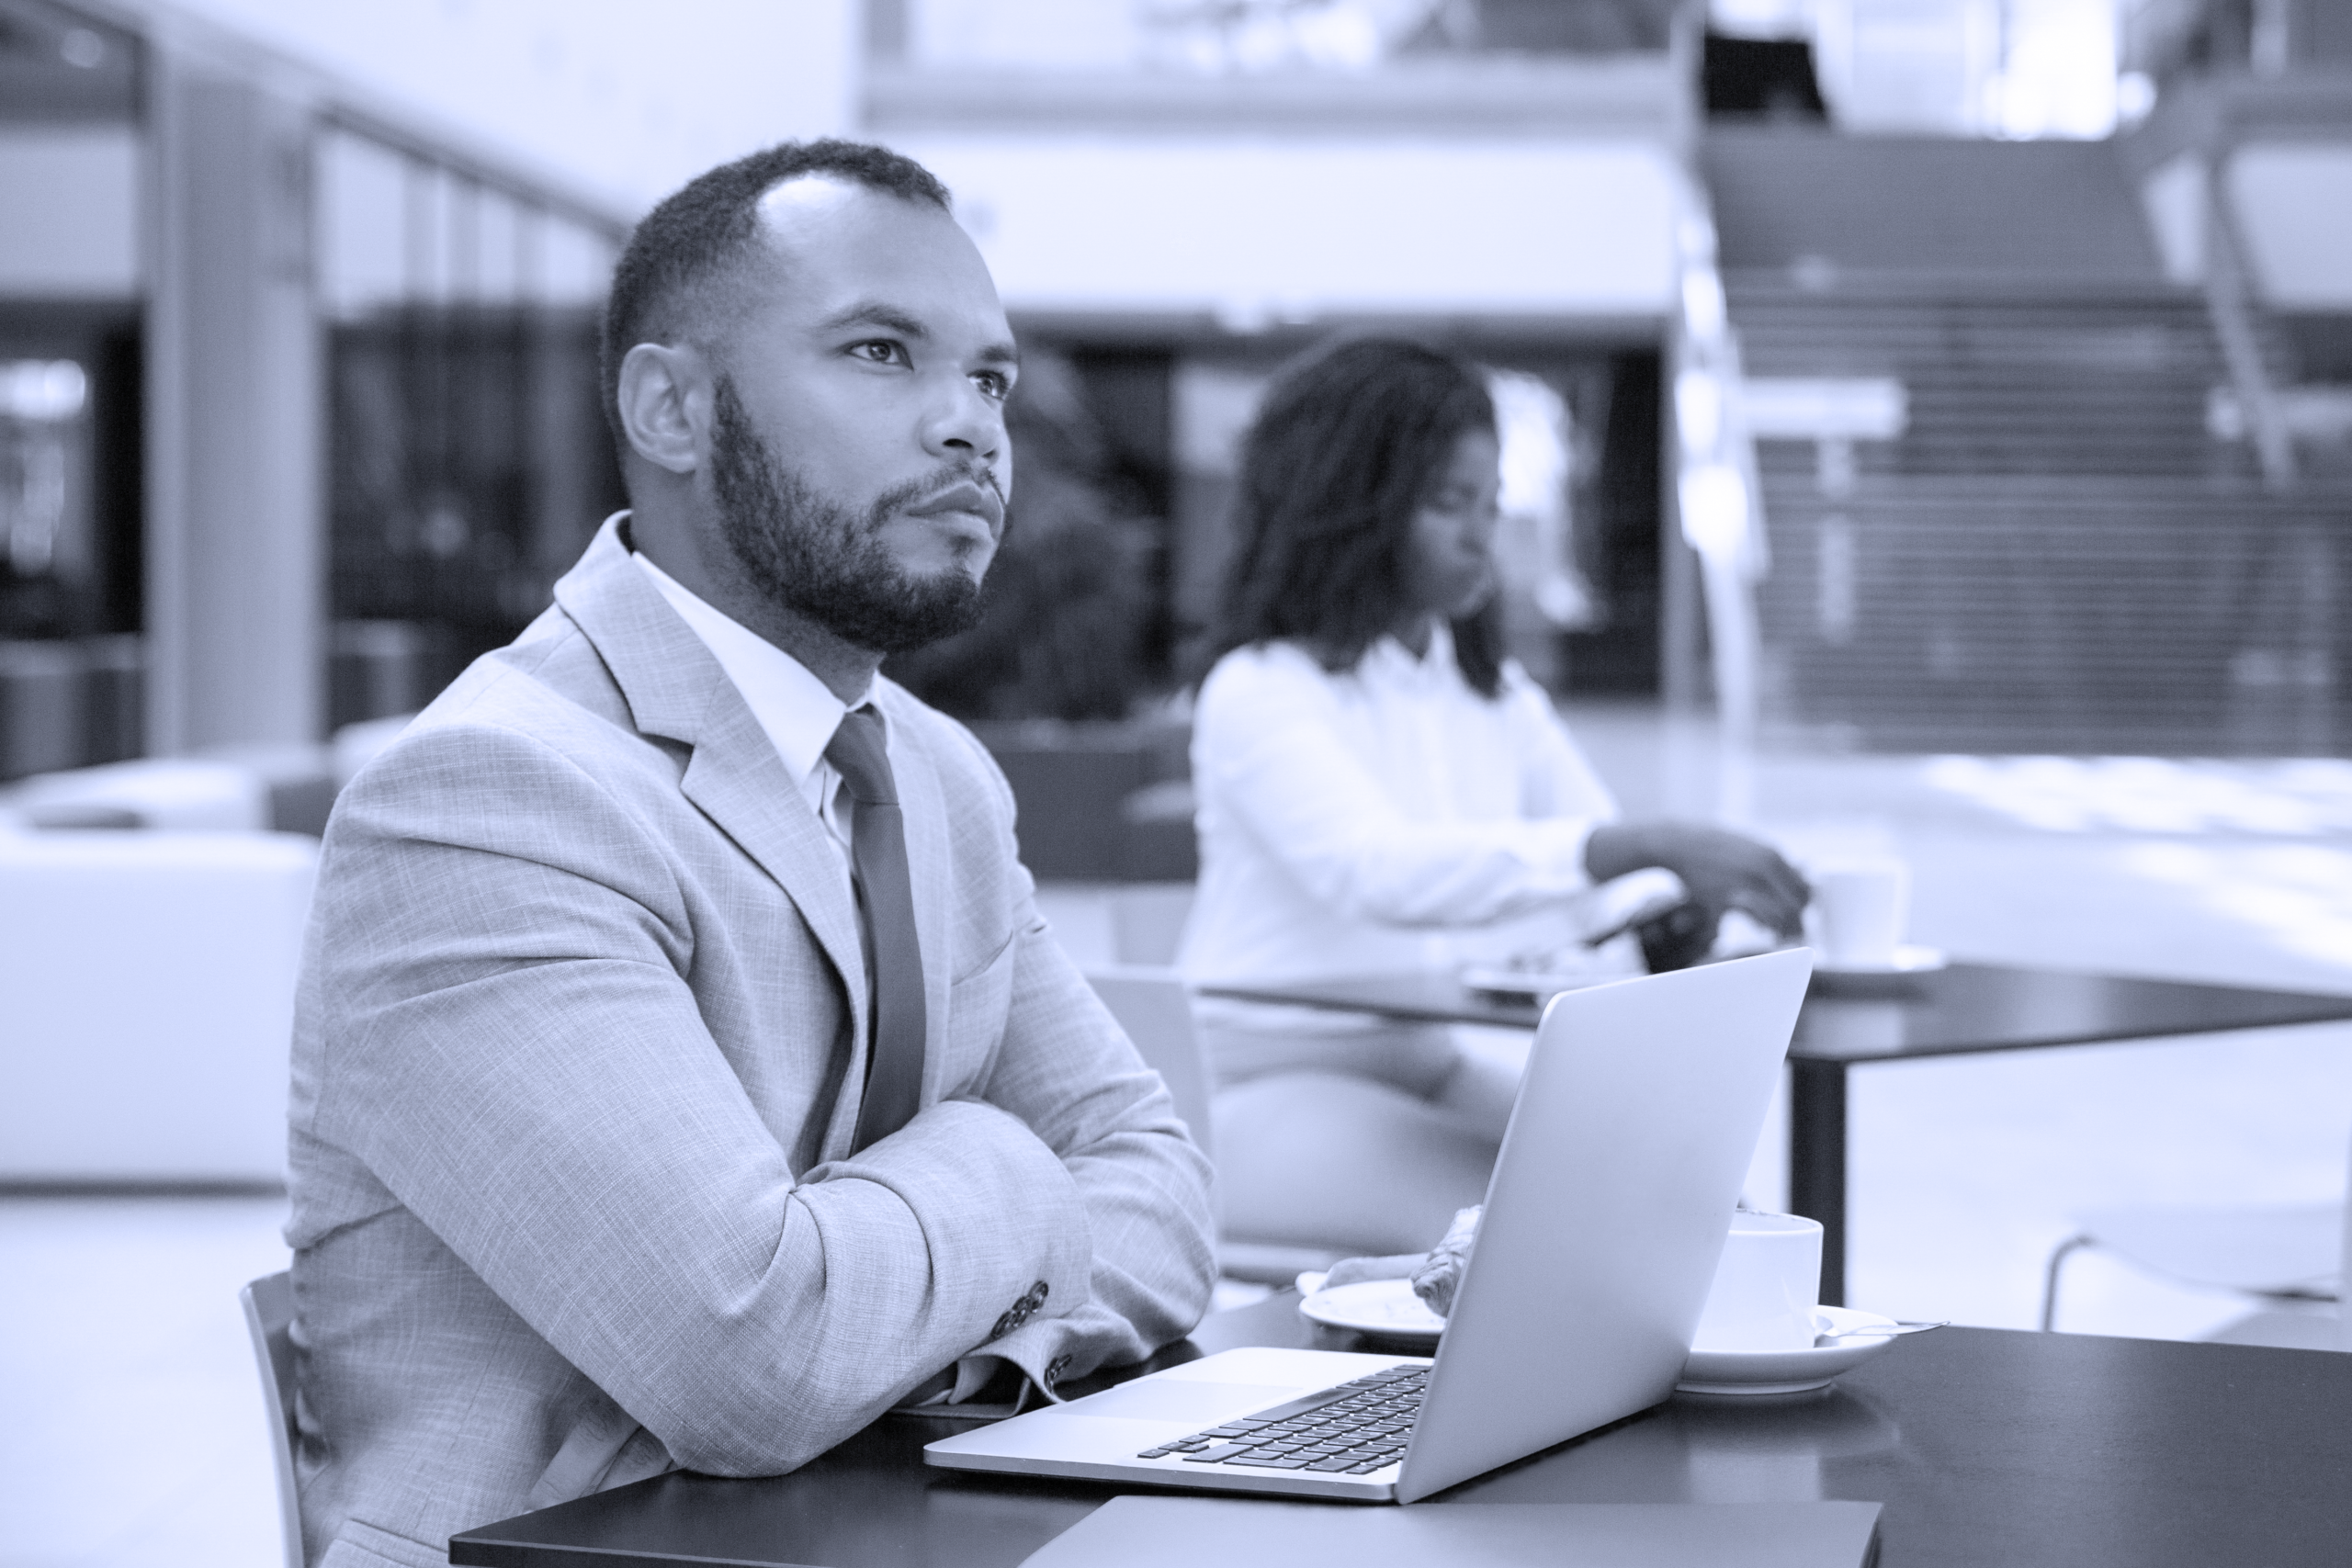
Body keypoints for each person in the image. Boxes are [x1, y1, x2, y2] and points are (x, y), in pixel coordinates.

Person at [286, 140, 1216, 1568]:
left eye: (990, 379)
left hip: (901, 1524)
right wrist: (1004, 1160)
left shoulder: (940, 775)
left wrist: (904, 1334)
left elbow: (1159, 1179)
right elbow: (757, 1353)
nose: (971, 427)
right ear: (670, 405)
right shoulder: (490, 795)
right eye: (882, 352)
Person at [1177, 337, 1805, 1258]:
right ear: (1349, 510)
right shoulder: (1259, 689)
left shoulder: (1487, 693)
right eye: (1448, 504)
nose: (1485, 534)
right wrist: (1635, 851)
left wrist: (1688, 906)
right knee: (1560, 1226)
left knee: (1697, 1200)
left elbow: (1607, 863)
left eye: (1492, 502)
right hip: (1254, 1093)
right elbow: (1377, 873)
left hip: (1425, 1060)